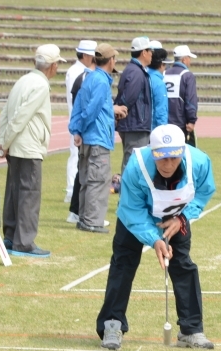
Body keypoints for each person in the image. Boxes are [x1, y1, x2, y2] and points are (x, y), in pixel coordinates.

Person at [96, 124, 216, 351]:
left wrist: (183, 218)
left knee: (182, 265)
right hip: (135, 218)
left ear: (182, 151)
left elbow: (204, 191)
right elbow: (132, 210)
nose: (168, 164)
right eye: (161, 158)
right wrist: (155, 239)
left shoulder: (199, 162)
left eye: (173, 158)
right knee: (123, 265)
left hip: (175, 217)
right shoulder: (136, 166)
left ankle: (191, 330)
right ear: (152, 152)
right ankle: (112, 325)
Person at [0, 44, 64, 257]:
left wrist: (3, 143)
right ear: (52, 66)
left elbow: (5, 115)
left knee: (14, 191)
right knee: (29, 194)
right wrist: (4, 144)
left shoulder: (22, 81)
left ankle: (11, 235)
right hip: (29, 146)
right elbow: (21, 117)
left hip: (16, 145)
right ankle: (24, 242)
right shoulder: (40, 85)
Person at [70, 43, 127, 234]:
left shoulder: (89, 78)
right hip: (97, 137)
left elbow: (78, 106)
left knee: (87, 179)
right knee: (98, 180)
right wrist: (82, 127)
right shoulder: (102, 82)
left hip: (87, 137)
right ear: (111, 60)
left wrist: (77, 130)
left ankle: (85, 217)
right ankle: (93, 221)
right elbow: (91, 111)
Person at [64, 40, 97, 208]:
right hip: (78, 122)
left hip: (80, 121)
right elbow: (76, 99)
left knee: (80, 159)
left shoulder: (82, 71)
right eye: (93, 56)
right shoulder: (76, 72)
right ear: (85, 55)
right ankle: (71, 191)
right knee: (75, 156)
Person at [115, 36, 153, 174]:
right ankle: (127, 194)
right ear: (144, 52)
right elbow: (128, 98)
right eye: (150, 51)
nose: (151, 54)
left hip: (134, 123)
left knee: (134, 162)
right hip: (135, 124)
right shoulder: (136, 72)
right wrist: (121, 112)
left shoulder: (134, 70)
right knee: (133, 163)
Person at [165, 45, 199, 146]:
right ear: (184, 60)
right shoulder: (187, 75)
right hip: (180, 122)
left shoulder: (164, 73)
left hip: (164, 121)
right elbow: (190, 100)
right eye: (189, 58)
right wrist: (191, 120)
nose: (190, 61)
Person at [147, 41, 169, 130]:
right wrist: (162, 130)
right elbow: (161, 110)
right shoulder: (158, 83)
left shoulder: (143, 76)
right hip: (153, 128)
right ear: (161, 64)